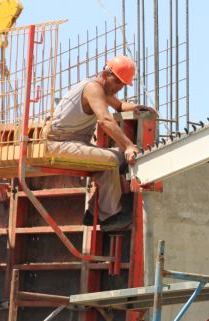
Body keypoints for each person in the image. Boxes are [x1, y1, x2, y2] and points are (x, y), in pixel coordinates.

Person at [44, 55, 154, 231]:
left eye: (123, 85)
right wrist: (128, 146)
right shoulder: (93, 89)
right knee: (114, 160)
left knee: (107, 163)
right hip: (60, 144)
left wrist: (136, 108)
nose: (119, 88)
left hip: (68, 143)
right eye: (117, 82)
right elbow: (104, 120)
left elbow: (118, 106)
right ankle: (110, 217)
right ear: (105, 74)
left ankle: (93, 213)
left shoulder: (100, 88)